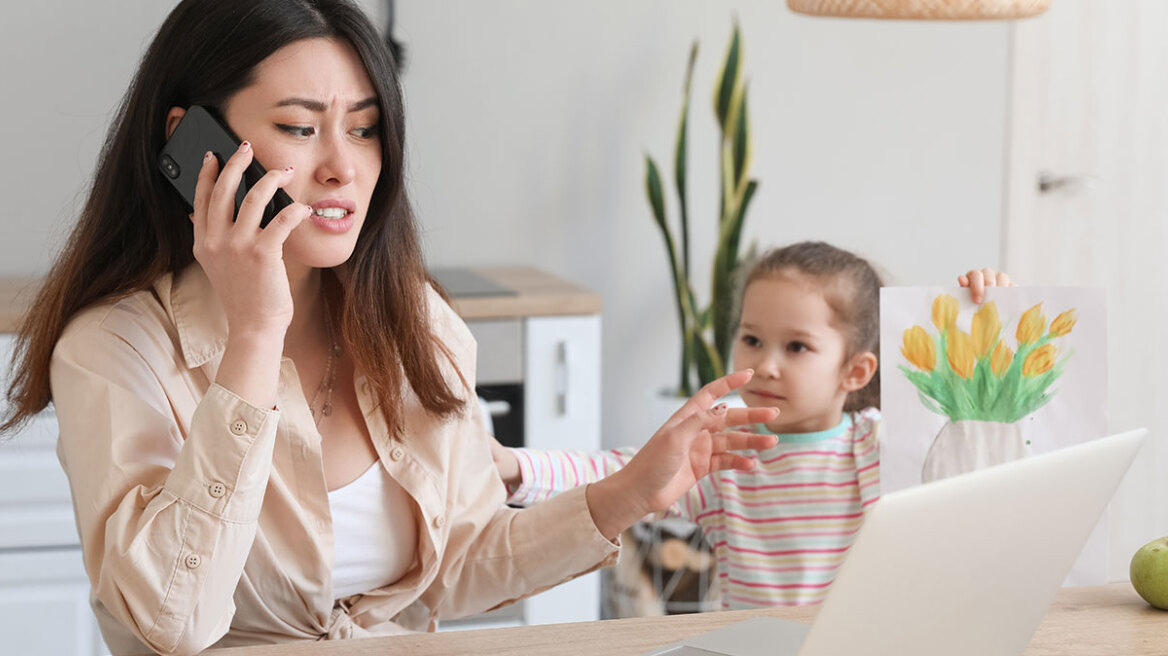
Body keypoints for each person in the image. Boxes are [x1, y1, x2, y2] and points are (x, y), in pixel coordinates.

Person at [0, 1, 780, 654]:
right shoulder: (116, 350)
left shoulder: (418, 322)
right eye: (301, 129)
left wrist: (627, 494)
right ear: (193, 144)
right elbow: (171, 622)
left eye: (365, 128)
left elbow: (459, 567)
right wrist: (254, 336)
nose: (343, 167)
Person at [492, 242, 1014, 609]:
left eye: (796, 347)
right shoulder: (722, 455)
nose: (766, 364)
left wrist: (987, 309)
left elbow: (967, 438)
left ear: (855, 371)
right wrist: (517, 466)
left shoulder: (881, 443)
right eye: (752, 339)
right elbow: (618, 471)